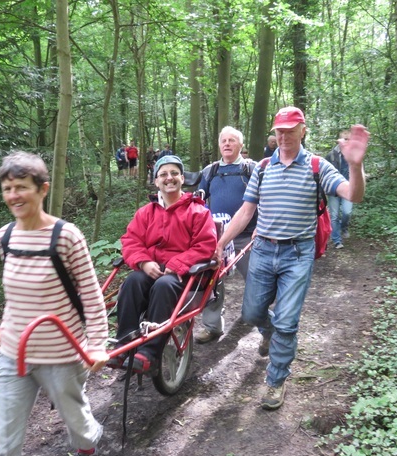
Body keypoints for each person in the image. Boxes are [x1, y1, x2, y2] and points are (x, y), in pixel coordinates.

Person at [216, 107, 369, 411]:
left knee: (287, 321)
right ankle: (270, 334)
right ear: (274, 132)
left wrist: (355, 165)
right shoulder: (261, 167)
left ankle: (275, 380)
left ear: (303, 130)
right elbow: (246, 211)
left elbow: (353, 195)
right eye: (279, 130)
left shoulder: (317, 166)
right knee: (251, 313)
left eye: (290, 129)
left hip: (298, 254)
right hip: (262, 250)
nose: (284, 136)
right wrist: (221, 242)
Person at [0, 151, 110, 456]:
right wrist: (5, 328)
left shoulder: (66, 236)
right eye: (8, 188)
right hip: (14, 354)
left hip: (61, 354)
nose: (13, 195)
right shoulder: (5, 236)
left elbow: (92, 296)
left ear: (43, 189)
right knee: (1, 439)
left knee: (76, 421)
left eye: (21, 187)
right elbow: (15, 294)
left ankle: (89, 447)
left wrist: (96, 344)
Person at [109, 155, 217, 372]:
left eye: (174, 173)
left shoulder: (198, 211)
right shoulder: (146, 213)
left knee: (163, 285)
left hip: (183, 276)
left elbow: (205, 245)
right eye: (164, 174)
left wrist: (178, 263)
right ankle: (124, 343)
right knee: (133, 281)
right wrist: (143, 262)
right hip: (152, 269)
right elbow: (131, 241)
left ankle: (150, 353)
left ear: (182, 178)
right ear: (156, 181)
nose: (170, 178)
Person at [194, 126, 259, 345]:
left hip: (247, 236)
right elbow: (198, 202)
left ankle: (254, 316)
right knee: (211, 281)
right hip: (215, 237)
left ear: (241, 145)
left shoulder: (252, 169)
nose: (227, 144)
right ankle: (212, 327)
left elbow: (266, 199)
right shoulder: (210, 171)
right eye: (224, 140)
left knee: (256, 280)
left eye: (232, 140)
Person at [326, 129, 353, 249]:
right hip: (334, 189)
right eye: (344, 139)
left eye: (349, 139)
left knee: (347, 212)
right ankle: (337, 240)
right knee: (334, 215)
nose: (347, 141)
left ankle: (344, 227)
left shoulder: (353, 154)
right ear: (339, 140)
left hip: (349, 188)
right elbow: (325, 173)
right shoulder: (331, 155)